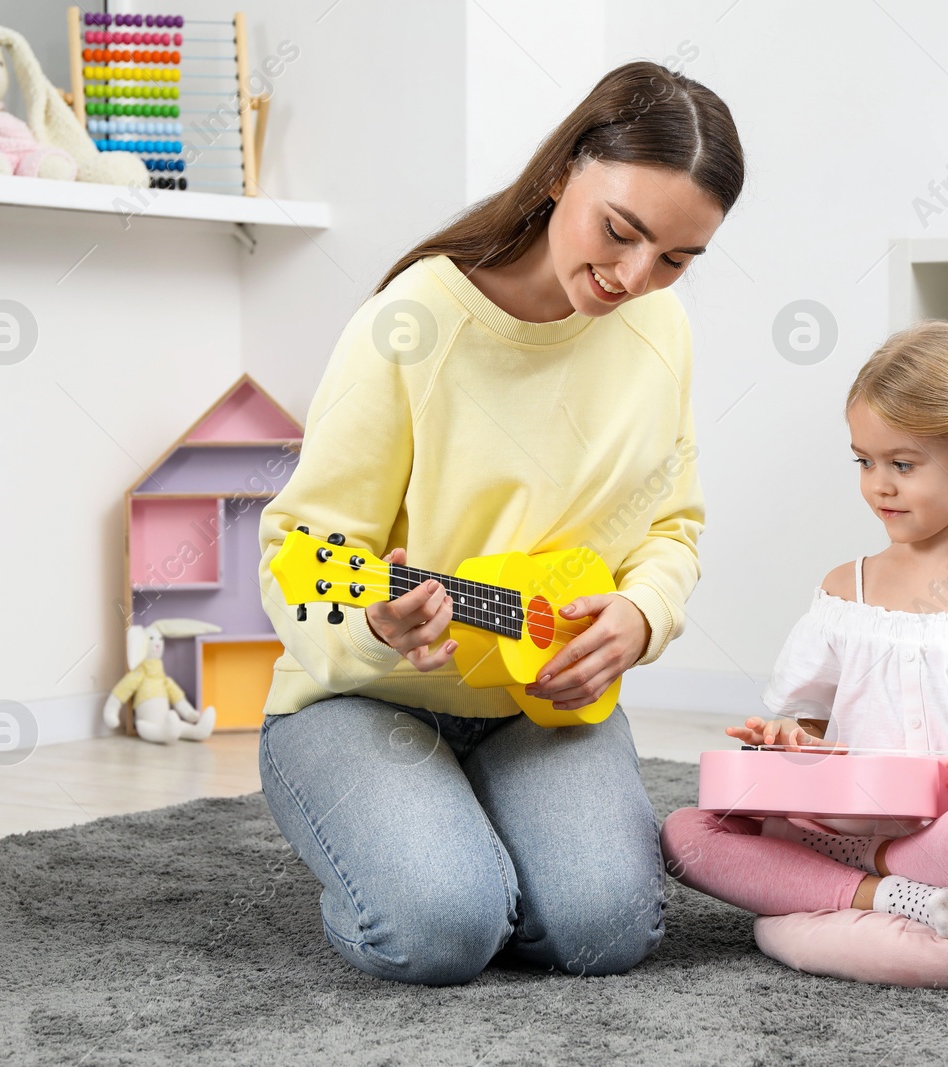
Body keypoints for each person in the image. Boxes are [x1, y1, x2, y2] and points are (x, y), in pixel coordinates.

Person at [255, 61, 744, 985]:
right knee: (442, 931)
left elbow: (671, 526)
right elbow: (296, 553)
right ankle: (427, 844)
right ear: (563, 171)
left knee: (607, 933)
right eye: (622, 231)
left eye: (676, 258)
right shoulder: (414, 324)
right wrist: (374, 627)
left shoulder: (661, 331)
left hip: (543, 704)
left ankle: (467, 827)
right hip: (368, 702)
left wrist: (639, 616)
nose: (637, 277)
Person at [660, 320, 948, 941]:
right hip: (843, 827)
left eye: (903, 464)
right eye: (865, 461)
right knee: (686, 833)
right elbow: (808, 726)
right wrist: (786, 737)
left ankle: (856, 880)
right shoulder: (843, 591)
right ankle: (888, 891)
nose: (878, 484)